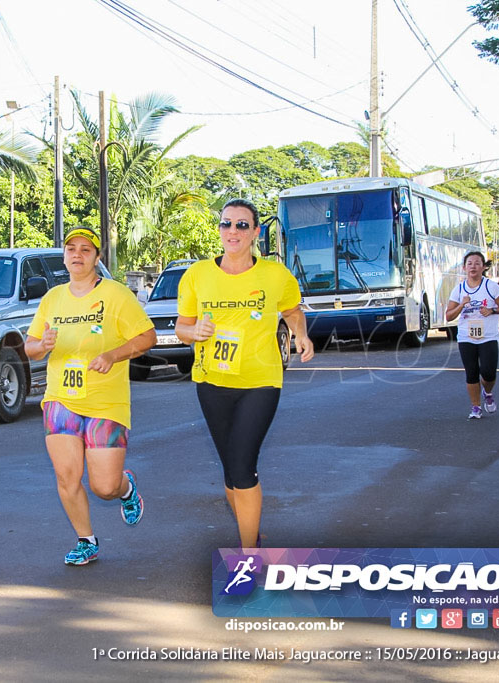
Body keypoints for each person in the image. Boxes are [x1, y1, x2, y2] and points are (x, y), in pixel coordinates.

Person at [174, 199, 314, 549]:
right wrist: (195, 334)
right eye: (226, 224)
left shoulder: (275, 275)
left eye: (241, 225)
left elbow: (292, 310)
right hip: (211, 381)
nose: (232, 231)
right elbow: (181, 327)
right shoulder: (197, 275)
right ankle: (250, 532)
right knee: (229, 468)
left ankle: (249, 551)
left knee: (242, 463)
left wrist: (301, 334)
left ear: (255, 232)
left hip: (260, 381)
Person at [24, 227, 156, 566]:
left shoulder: (116, 294)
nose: (77, 255)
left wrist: (113, 355)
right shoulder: (53, 298)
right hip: (60, 399)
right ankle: (86, 540)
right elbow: (31, 348)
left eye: (86, 249)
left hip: (105, 402)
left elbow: (147, 337)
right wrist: (43, 346)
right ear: (64, 256)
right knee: (67, 477)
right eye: (71, 249)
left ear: (97, 257)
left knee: (103, 487)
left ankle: (125, 487)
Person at [445, 251, 499, 419]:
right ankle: (475, 407)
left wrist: (492, 310)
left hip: (488, 336)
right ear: (464, 268)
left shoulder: (491, 286)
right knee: (471, 372)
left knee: (489, 373)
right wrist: (461, 305)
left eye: (477, 263)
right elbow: (449, 315)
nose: (473, 266)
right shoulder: (459, 289)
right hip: (466, 337)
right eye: (470, 263)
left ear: (483, 267)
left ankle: (487, 392)